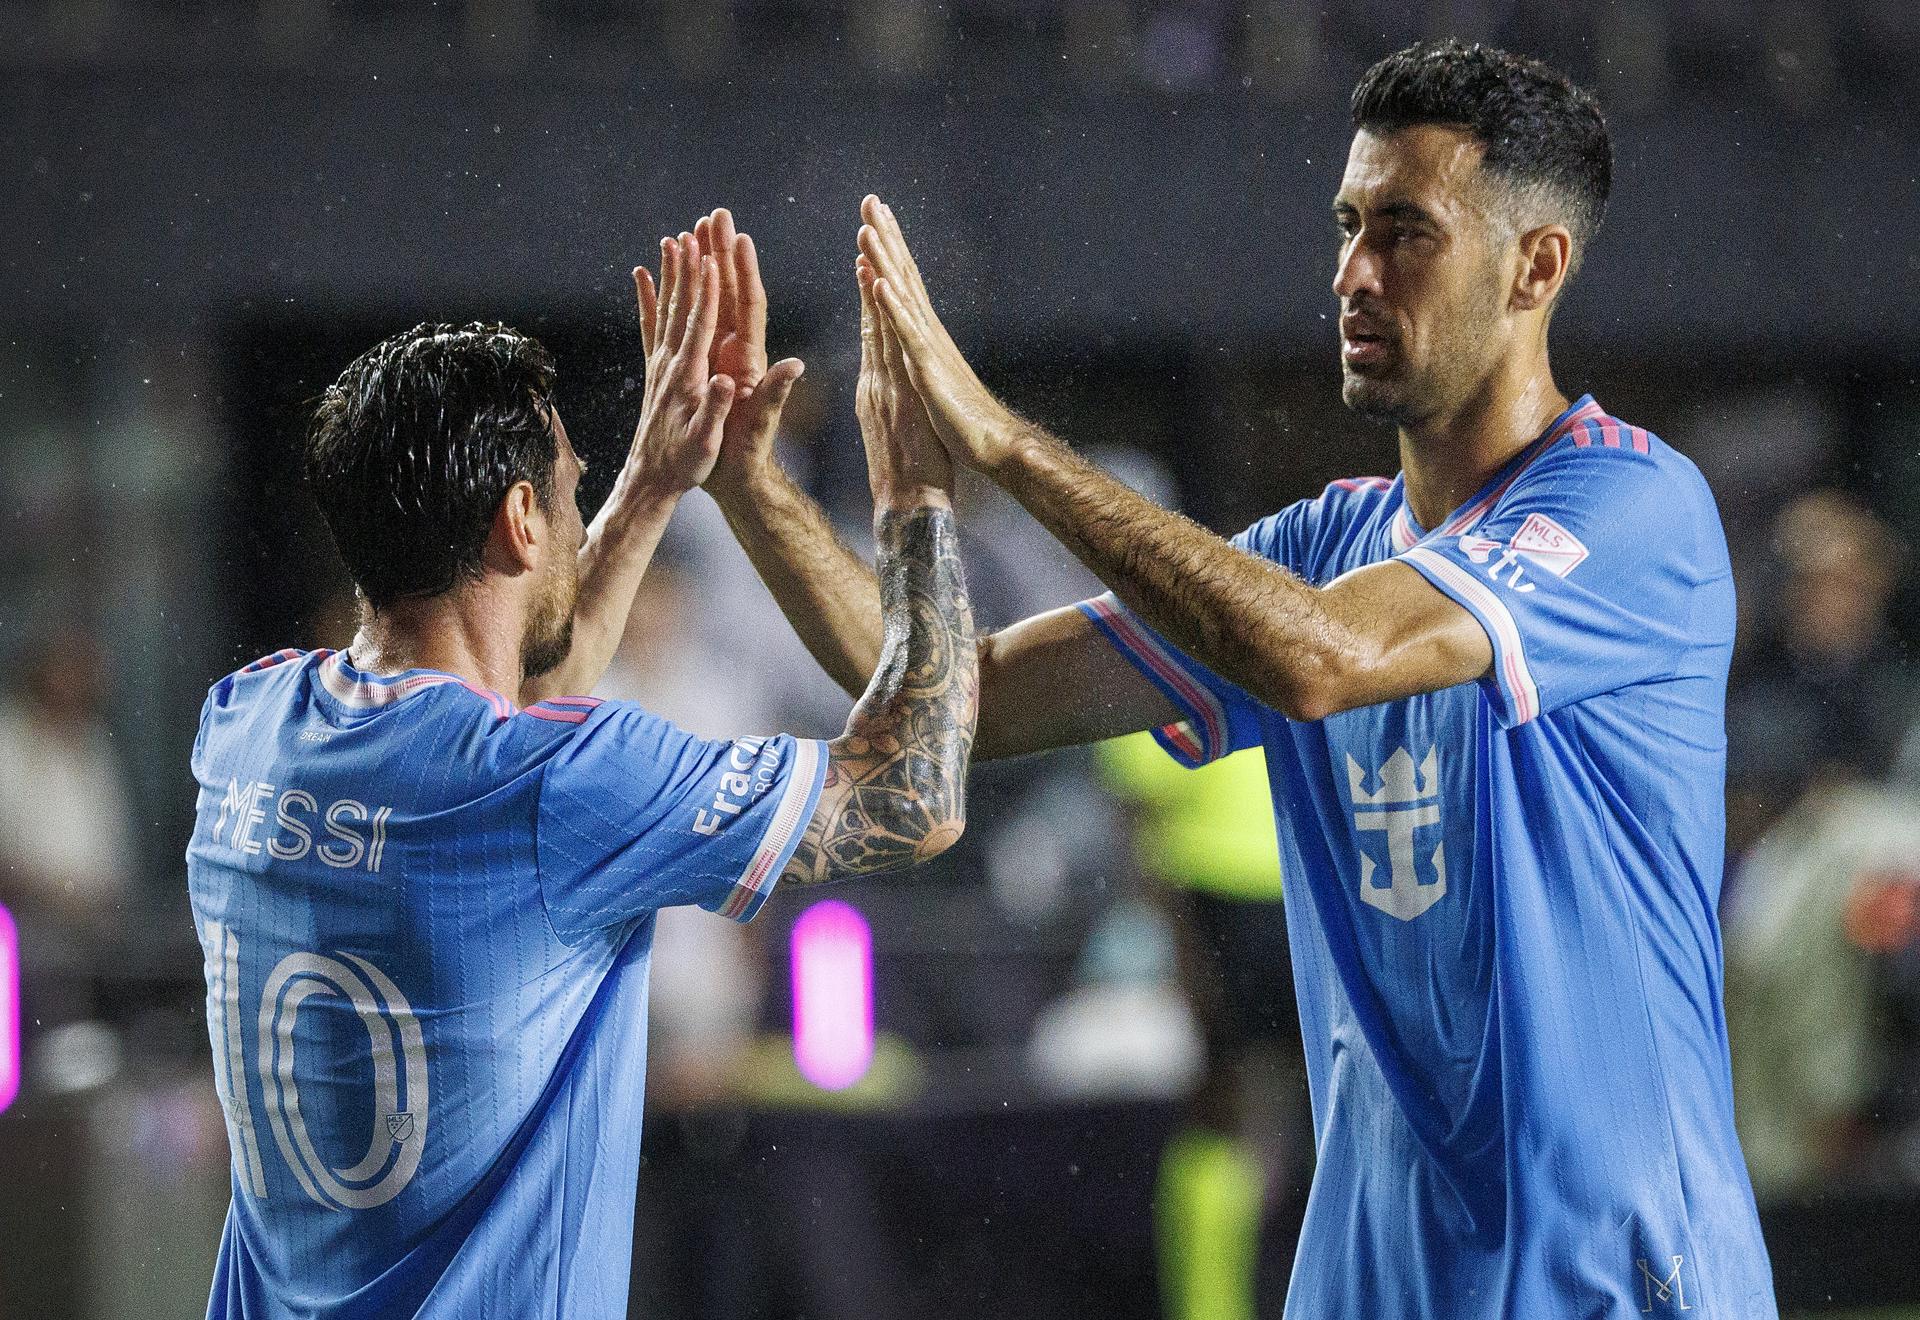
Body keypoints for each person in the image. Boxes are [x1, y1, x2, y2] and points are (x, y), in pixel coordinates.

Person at [706, 41, 1776, 1318]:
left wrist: (1001, 443)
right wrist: (758, 487)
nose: (1353, 274)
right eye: (1348, 226)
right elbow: (959, 699)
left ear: (1535, 267)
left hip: (1608, 1279)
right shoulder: (1322, 552)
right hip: (1375, 1284)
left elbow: (1325, 660)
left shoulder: (1632, 507)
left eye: (1406, 232)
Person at [183, 229, 977, 1318]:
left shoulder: (246, 724)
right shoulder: (559, 782)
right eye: (568, 493)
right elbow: (916, 797)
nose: (575, 516)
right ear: (520, 521)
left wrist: (653, 479)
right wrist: (918, 499)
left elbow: (504, 721)